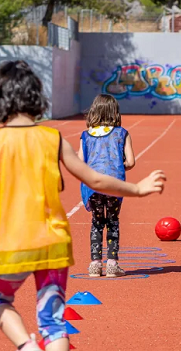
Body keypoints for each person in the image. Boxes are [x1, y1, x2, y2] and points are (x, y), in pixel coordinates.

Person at [0, 60, 166, 351]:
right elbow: (96, 179)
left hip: (7, 243)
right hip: (52, 243)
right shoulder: (53, 139)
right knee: (53, 322)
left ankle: (26, 347)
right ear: (36, 99)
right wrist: (137, 189)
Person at [76, 94, 136, 278]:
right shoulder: (122, 133)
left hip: (92, 185)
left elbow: (80, 161)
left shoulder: (85, 135)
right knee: (112, 221)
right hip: (114, 184)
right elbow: (131, 162)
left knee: (96, 221)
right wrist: (118, 165)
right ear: (115, 113)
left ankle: (95, 264)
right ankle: (112, 264)